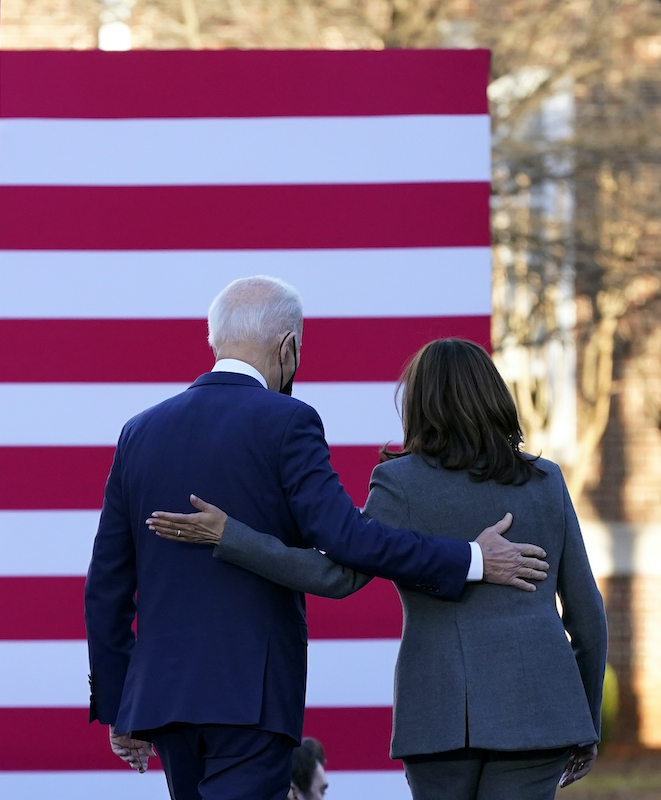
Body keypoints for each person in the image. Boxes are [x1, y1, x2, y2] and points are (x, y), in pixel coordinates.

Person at [84, 277, 551, 800]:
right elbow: (348, 539)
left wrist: (120, 703)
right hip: (252, 697)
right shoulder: (287, 420)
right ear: (288, 347)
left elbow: (105, 584)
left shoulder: (139, 431)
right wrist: (471, 559)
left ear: (215, 341)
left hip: (162, 698)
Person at [148, 337, 607, 800]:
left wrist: (233, 536)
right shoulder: (546, 482)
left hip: (438, 718)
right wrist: (585, 721)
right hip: (542, 713)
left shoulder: (401, 482)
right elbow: (587, 615)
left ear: (419, 403)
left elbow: (336, 575)